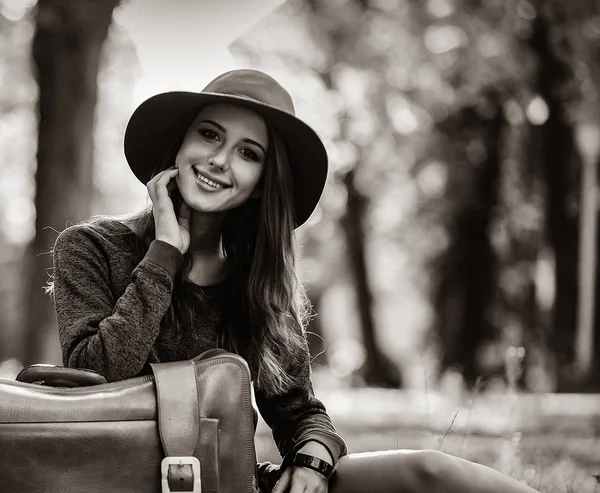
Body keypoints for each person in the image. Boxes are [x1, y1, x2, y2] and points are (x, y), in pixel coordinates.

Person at [47, 68, 539, 493]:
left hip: (229, 483)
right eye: (210, 135)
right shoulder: (91, 247)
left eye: (248, 153)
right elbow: (98, 380)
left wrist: (313, 458)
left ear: (263, 183)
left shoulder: (257, 280)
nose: (220, 160)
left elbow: (299, 411)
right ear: (180, 144)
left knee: (430, 472)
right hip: (117, 481)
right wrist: (163, 257)